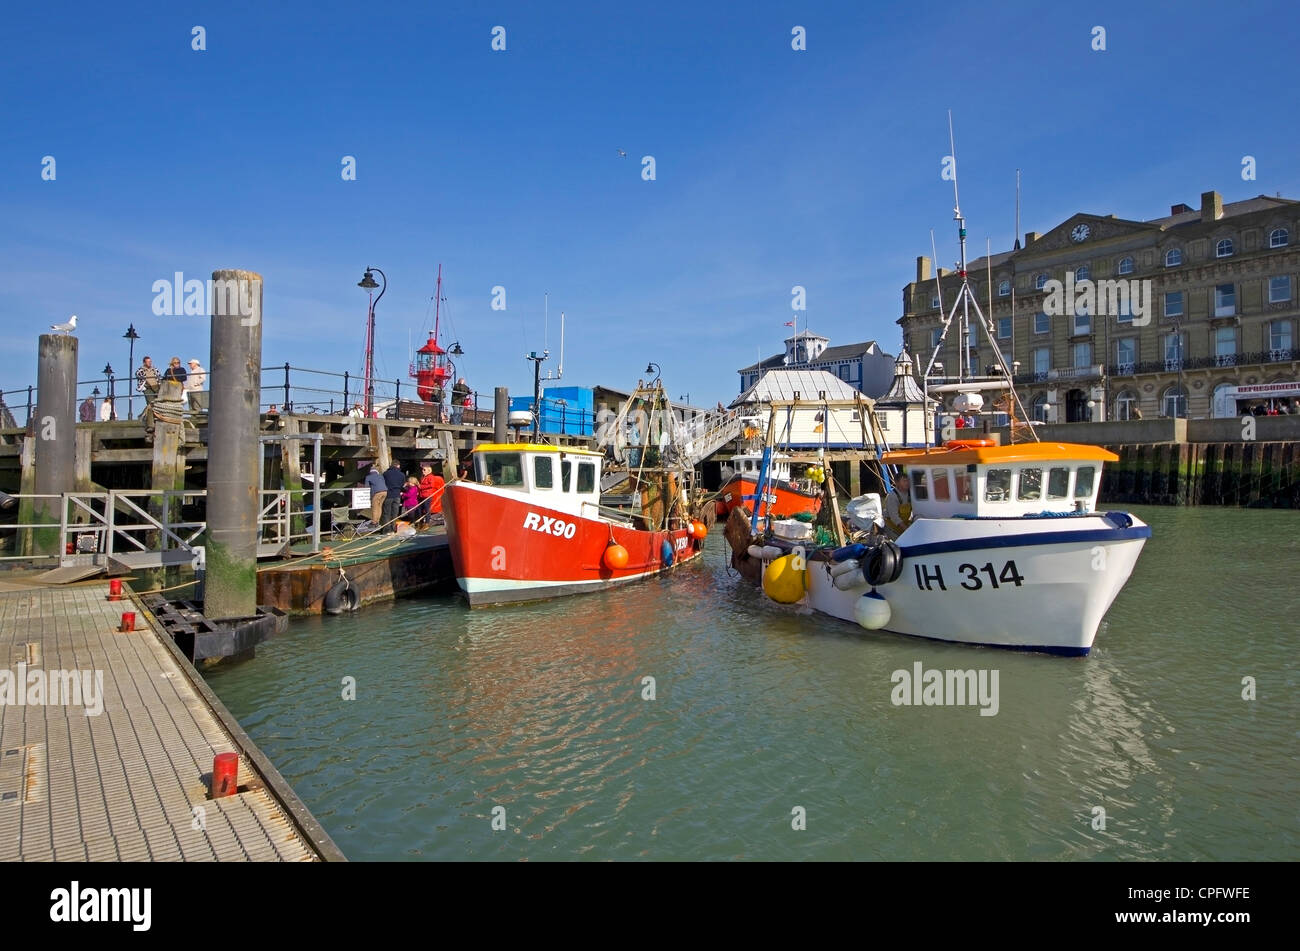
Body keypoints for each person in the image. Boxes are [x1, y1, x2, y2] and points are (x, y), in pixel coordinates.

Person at [883, 474, 913, 539]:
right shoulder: (892, 496)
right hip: (891, 527)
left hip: (904, 525)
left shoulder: (911, 493)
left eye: (908, 480)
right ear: (897, 483)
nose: (907, 483)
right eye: (904, 481)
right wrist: (907, 530)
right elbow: (894, 517)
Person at [418, 461, 445, 528]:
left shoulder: (430, 477)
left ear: (429, 470)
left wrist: (421, 487)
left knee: (427, 510)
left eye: (424, 470)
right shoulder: (423, 477)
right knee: (421, 509)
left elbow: (432, 485)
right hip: (423, 495)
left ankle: (427, 523)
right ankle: (421, 522)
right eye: (422, 469)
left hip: (428, 495)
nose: (422, 471)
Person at [382, 460, 405, 531]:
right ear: (398, 466)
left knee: (386, 513)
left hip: (388, 495)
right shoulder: (402, 474)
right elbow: (402, 485)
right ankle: (393, 527)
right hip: (397, 495)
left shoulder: (385, 474)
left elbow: (383, 483)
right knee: (395, 513)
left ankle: (386, 529)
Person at [364, 462, 387, 528]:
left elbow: (366, 486)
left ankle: (374, 522)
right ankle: (378, 520)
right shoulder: (381, 476)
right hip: (385, 492)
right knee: (379, 506)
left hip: (377, 493)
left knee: (374, 507)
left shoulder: (368, 477)